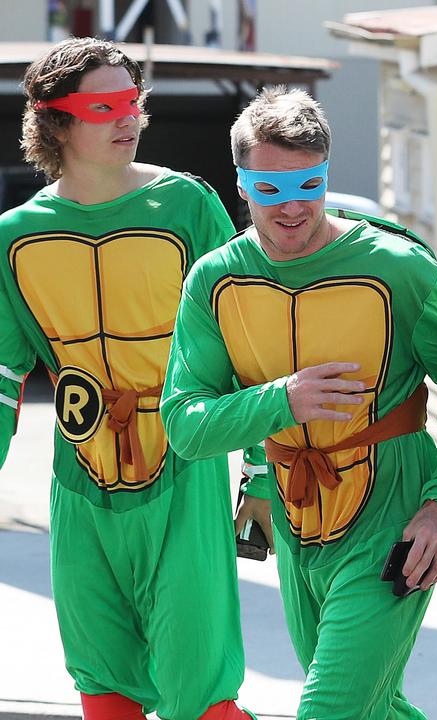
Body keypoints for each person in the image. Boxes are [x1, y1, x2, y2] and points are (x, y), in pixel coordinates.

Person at [159, 87, 437, 718]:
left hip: (395, 516)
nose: (292, 206)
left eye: (308, 183)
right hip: (298, 519)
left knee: (328, 709)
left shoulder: (400, 268)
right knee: (369, 708)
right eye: (270, 189)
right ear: (242, 185)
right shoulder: (215, 280)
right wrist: (282, 402)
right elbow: (185, 425)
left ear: (327, 173)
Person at [0, 38, 254, 720]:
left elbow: (244, 341)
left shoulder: (187, 205)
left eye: (134, 103)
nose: (129, 120)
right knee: (101, 676)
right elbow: (2, 374)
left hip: (184, 463)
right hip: (79, 473)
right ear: (56, 121)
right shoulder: (14, 235)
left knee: (197, 683)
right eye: (104, 106)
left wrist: (259, 468)